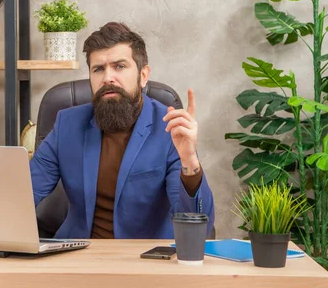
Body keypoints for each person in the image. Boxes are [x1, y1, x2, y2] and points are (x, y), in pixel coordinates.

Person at [30, 21, 215, 239]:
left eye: (119, 66)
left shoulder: (169, 128)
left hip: (145, 259)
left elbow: (197, 222)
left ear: (143, 75)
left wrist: (190, 160)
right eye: (98, 69)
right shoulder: (67, 124)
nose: (108, 77)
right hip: (77, 256)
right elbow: (22, 193)